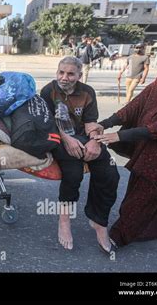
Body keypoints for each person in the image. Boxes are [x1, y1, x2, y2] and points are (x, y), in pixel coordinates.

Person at [88, 52, 157, 249]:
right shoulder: (155, 88)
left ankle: (118, 237)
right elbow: (132, 108)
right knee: (151, 198)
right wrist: (105, 124)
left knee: (140, 201)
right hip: (147, 154)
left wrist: (120, 136)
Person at [40, 56, 120, 254]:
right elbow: (47, 123)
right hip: (58, 139)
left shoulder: (87, 92)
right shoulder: (48, 91)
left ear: (79, 76)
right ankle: (64, 221)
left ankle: (99, 221)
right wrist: (67, 139)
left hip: (84, 138)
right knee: (73, 174)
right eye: (61, 72)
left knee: (110, 172)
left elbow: (91, 122)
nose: (64, 77)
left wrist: (94, 142)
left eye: (70, 74)